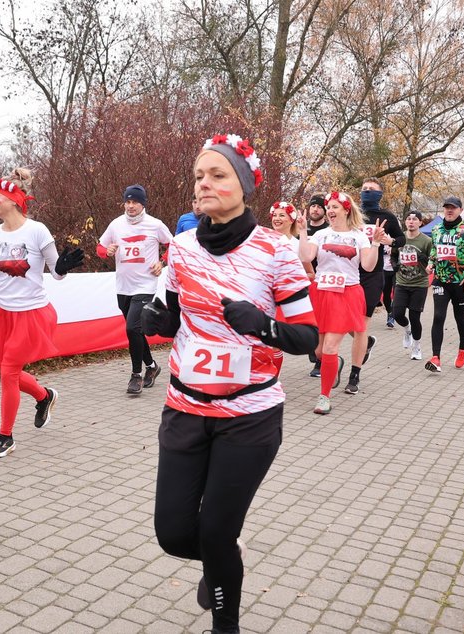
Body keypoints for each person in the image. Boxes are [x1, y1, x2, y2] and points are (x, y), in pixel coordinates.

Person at [143, 133, 318, 634]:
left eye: (218, 175)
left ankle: (226, 623)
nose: (205, 183)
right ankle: (223, 554)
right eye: (199, 175)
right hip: (185, 408)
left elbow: (307, 336)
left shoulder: (275, 250)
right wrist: (157, 318)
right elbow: (176, 316)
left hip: (250, 416)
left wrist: (260, 325)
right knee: (174, 534)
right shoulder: (180, 247)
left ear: (243, 185)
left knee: (216, 531)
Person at [0, 170, 84, 458]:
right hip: (3, 314)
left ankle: (5, 437)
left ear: (14, 200)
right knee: (9, 371)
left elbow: (56, 273)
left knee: (8, 373)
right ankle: (44, 397)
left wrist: (63, 266)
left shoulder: (37, 231)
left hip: (32, 314)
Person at [298, 191, 384, 405]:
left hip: (346, 293)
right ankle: (332, 365)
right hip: (321, 292)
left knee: (329, 347)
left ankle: (324, 397)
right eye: (329, 207)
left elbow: (368, 266)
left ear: (346, 210)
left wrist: (375, 244)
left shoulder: (359, 236)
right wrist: (301, 232)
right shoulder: (320, 235)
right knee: (318, 351)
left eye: (335, 207)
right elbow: (306, 257)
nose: (330, 210)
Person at [98, 184, 173, 395]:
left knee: (132, 328)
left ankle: (136, 375)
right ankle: (152, 367)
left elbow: (173, 245)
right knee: (136, 331)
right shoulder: (116, 224)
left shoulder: (155, 225)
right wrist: (107, 251)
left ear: (143, 204)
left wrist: (162, 262)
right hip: (123, 286)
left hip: (145, 284)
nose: (130, 206)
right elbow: (100, 247)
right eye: (128, 202)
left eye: (135, 202)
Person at [425, 196, 464, 372]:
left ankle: (462, 348)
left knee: (460, 318)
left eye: (453, 208)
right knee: (438, 316)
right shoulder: (437, 229)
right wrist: (431, 263)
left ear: (460, 210)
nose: (449, 211)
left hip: (460, 283)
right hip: (441, 281)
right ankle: (436, 357)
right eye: (446, 208)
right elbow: (435, 250)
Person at [354, 177, 404, 385]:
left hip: (372, 274)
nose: (366, 192)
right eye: (364, 189)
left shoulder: (387, 216)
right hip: (349, 271)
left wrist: (390, 241)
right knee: (349, 321)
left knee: (361, 323)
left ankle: (354, 374)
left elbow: (402, 239)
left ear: (380, 194)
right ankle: (365, 342)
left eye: (371, 189)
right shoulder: (352, 213)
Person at [391, 211, 432, 360]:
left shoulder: (426, 241)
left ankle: (416, 346)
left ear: (420, 223)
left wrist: (424, 259)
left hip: (419, 283)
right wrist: (394, 265)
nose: (411, 221)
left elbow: (433, 261)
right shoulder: (400, 238)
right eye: (408, 219)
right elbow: (394, 255)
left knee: (415, 317)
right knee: (397, 314)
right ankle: (407, 329)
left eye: (415, 219)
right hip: (402, 282)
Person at [305, 194, 328, 377]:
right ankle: (313, 347)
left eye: (319, 207)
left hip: (322, 282)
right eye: (313, 206)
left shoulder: (328, 231)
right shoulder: (301, 230)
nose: (315, 209)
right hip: (302, 282)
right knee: (306, 321)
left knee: (322, 323)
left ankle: (320, 362)